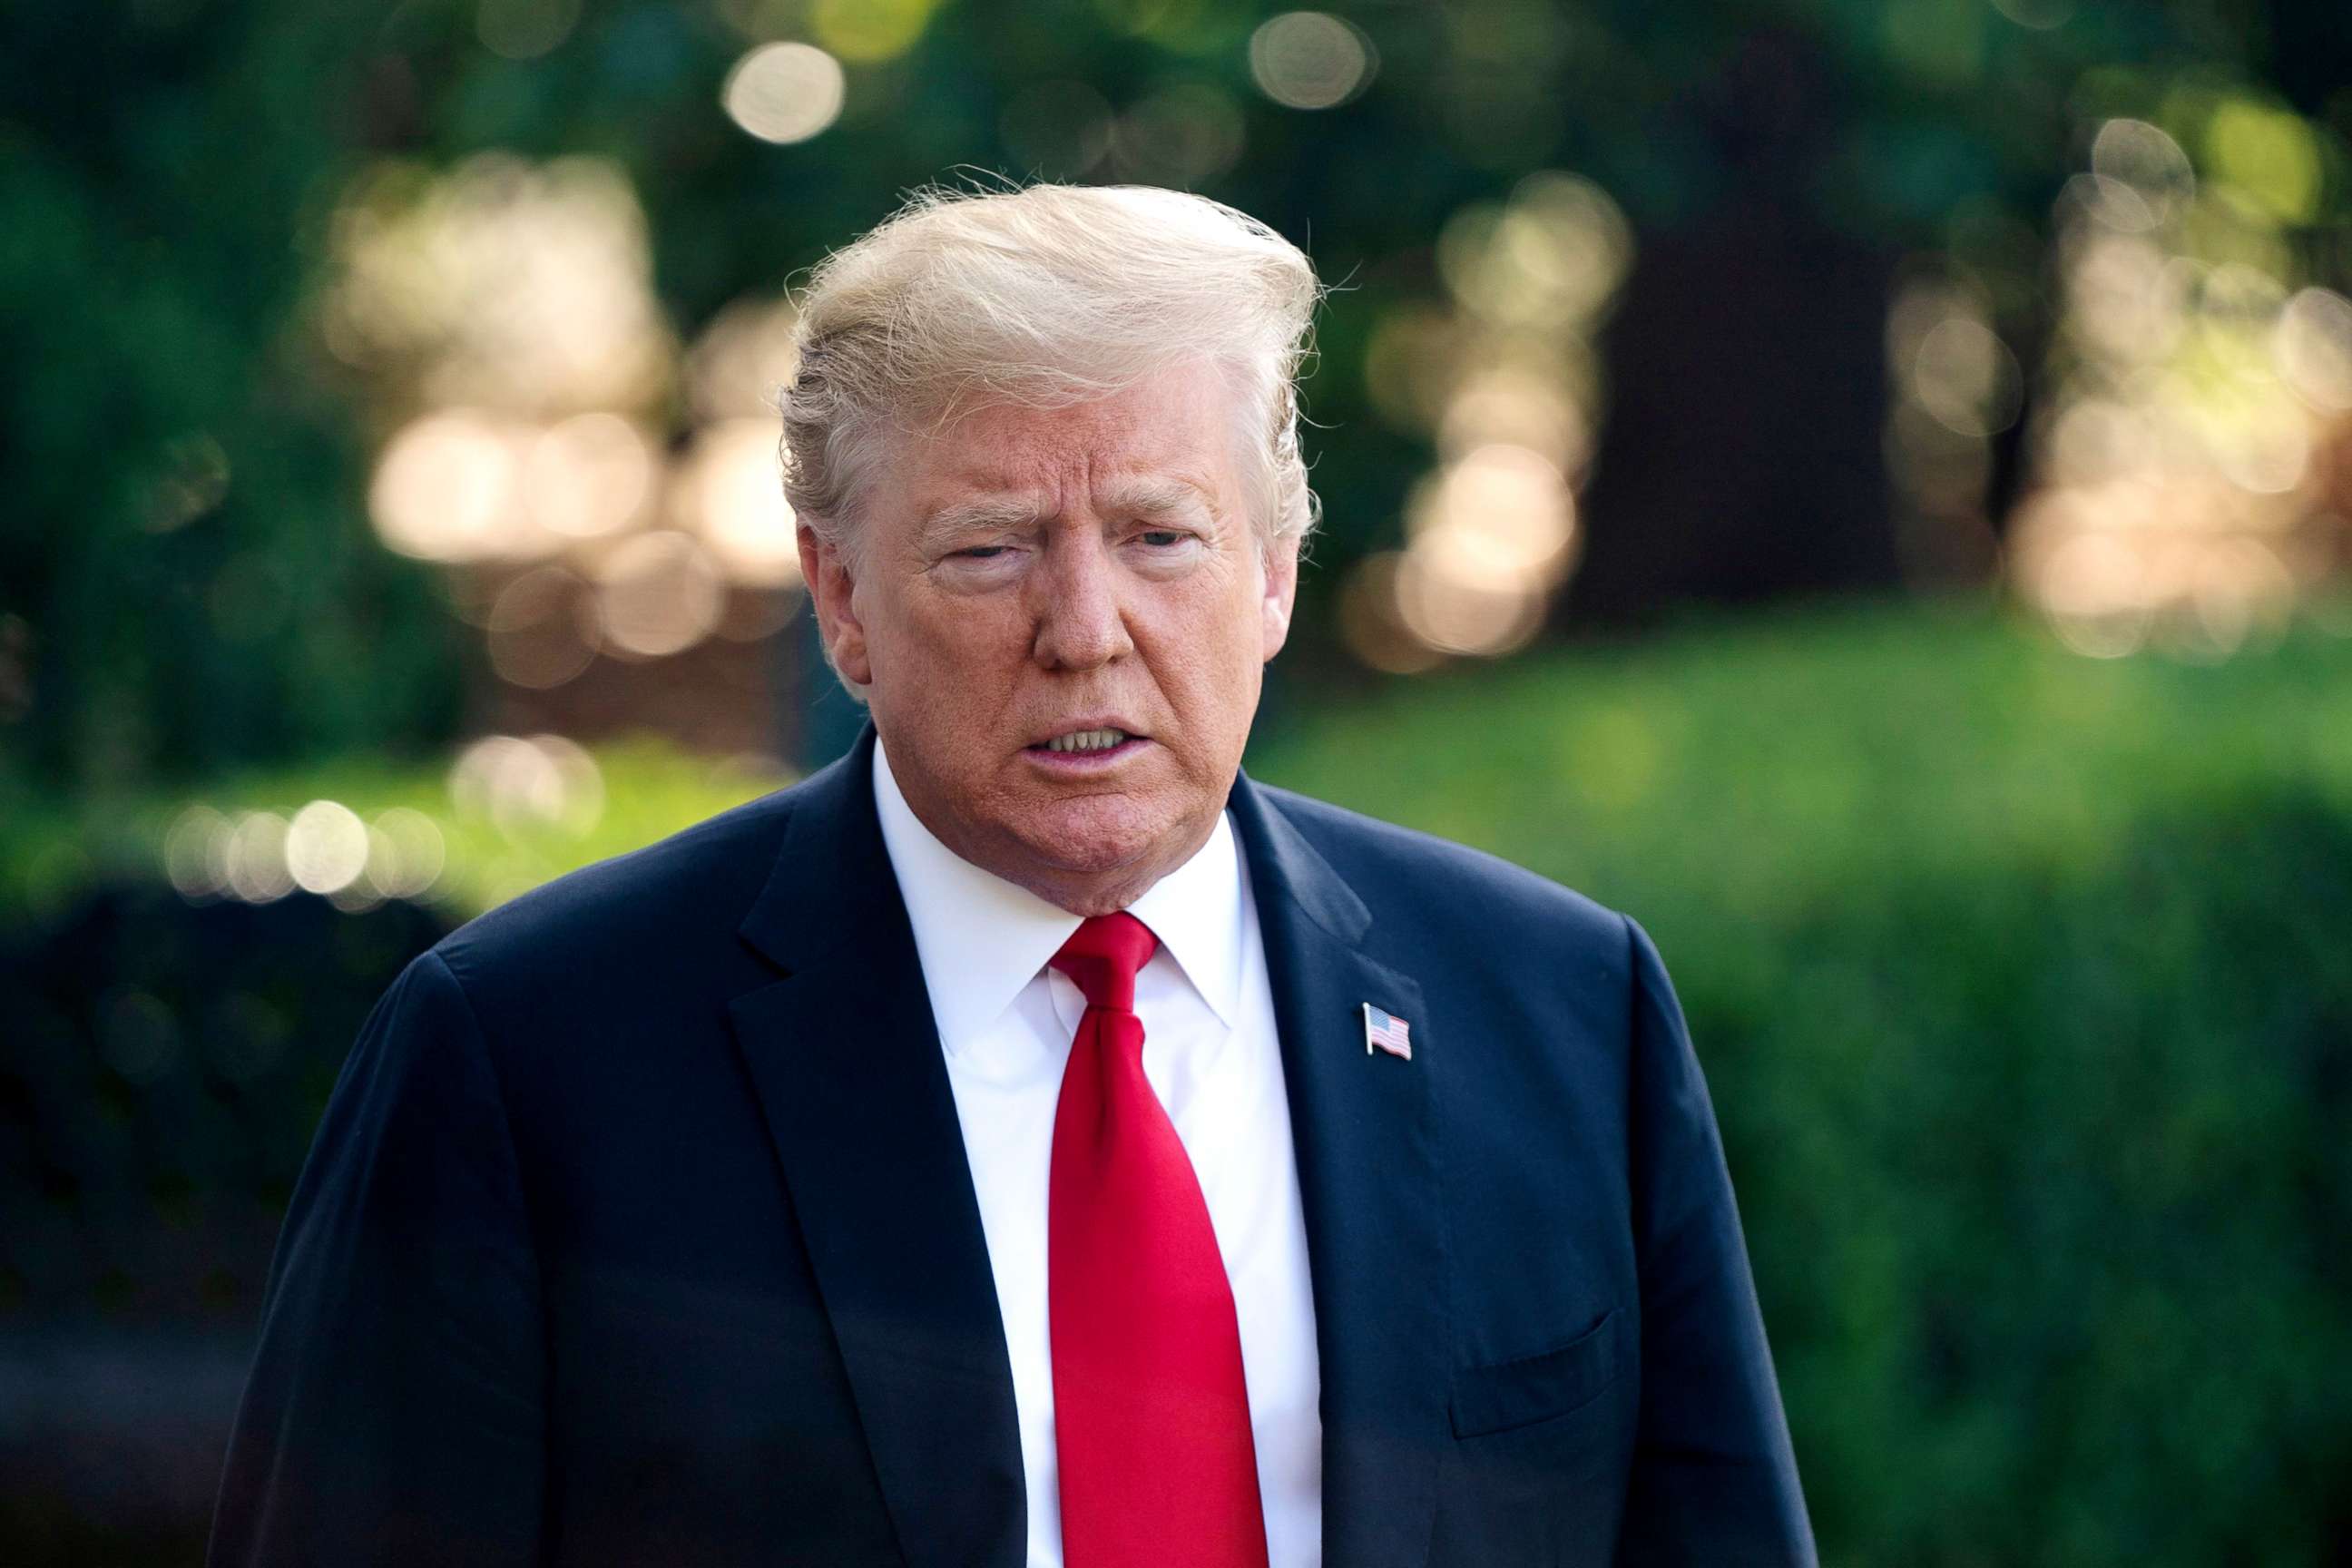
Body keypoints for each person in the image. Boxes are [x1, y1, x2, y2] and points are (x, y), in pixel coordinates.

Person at [210, 182, 1815, 1568]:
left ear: (1274, 569)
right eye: (989, 549)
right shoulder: (526, 1060)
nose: (1085, 629)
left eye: (1161, 537)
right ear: (840, 601)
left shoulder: (1556, 1011)